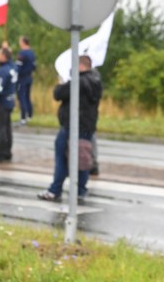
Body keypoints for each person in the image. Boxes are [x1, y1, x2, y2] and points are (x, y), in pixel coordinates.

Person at [38, 55, 103, 201]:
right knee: (83, 159)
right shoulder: (95, 81)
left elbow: (58, 94)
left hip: (72, 126)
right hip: (87, 126)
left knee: (62, 156)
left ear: (80, 66)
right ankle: (80, 190)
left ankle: (55, 189)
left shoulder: (78, 82)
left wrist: (62, 82)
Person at [15, 35, 36, 126]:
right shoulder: (32, 53)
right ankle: (30, 115)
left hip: (22, 78)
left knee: (22, 97)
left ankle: (23, 118)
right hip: (29, 77)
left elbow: (18, 67)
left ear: (23, 42)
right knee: (27, 96)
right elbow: (34, 66)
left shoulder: (22, 54)